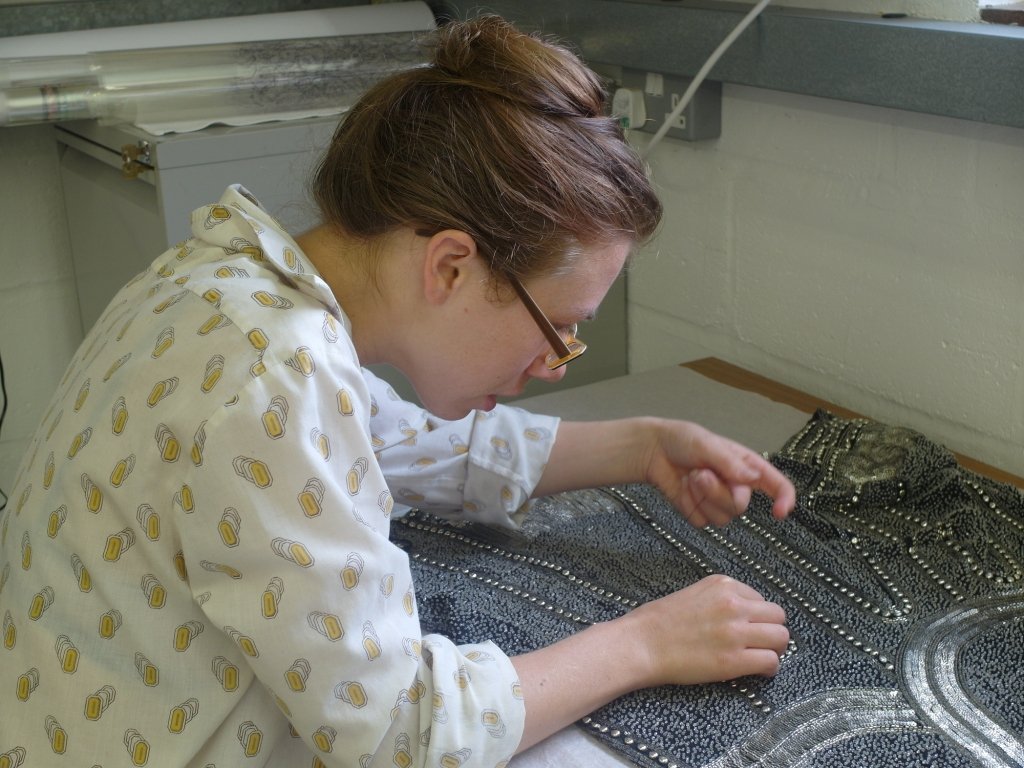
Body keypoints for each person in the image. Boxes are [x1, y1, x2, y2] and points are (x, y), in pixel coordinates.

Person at [0, 15, 794, 768]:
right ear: (451, 266)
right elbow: (400, 737)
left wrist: (643, 445)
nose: (558, 366)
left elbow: (396, 445)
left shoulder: (224, 285)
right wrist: (648, 643)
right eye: (559, 327)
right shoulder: (273, 376)